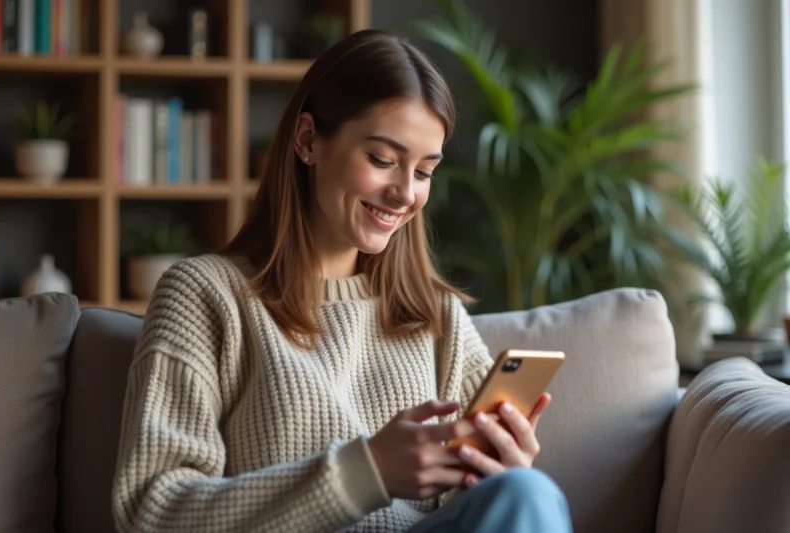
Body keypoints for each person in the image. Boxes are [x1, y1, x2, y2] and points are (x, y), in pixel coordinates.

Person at [111, 29, 573, 533]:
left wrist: (498, 471)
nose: (405, 194)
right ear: (308, 140)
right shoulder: (205, 295)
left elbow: (479, 497)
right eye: (382, 160)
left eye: (424, 172)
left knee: (526, 490)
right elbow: (151, 510)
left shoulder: (436, 314)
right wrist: (365, 472)